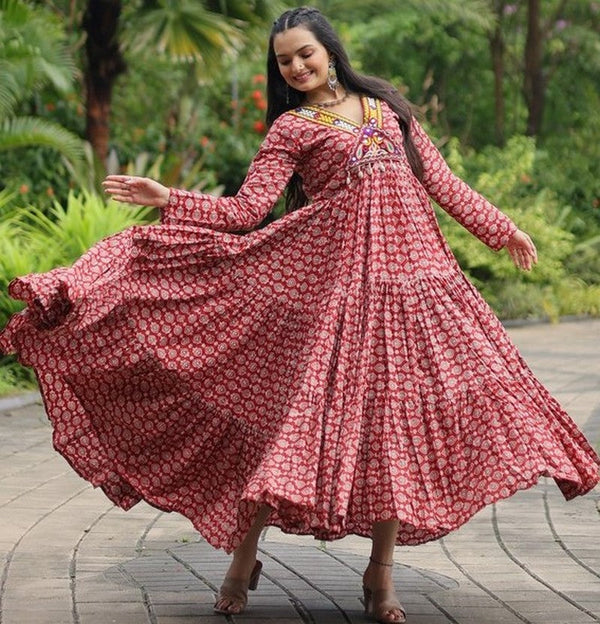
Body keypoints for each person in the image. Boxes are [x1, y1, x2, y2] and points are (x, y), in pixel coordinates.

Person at [1, 6, 598, 624]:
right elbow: (246, 211)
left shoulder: (387, 109)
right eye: (285, 60)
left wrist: (505, 231)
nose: (297, 66)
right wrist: (169, 199)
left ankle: (380, 575)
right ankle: (242, 558)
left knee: (391, 428)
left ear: (330, 50)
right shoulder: (291, 128)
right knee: (292, 425)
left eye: (305, 53)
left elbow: (444, 185)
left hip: (416, 287)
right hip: (332, 293)